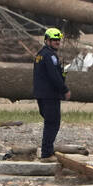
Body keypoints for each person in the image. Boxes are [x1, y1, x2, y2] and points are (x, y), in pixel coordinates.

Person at [32, 27, 71, 159]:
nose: (57, 42)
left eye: (58, 40)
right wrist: (64, 89)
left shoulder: (40, 54)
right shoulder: (50, 56)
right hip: (50, 95)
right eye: (54, 40)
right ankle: (47, 153)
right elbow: (53, 76)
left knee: (49, 122)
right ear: (47, 40)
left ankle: (47, 150)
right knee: (53, 123)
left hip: (41, 94)